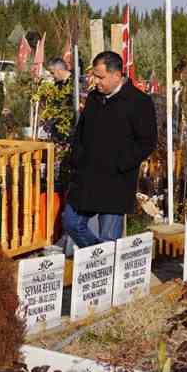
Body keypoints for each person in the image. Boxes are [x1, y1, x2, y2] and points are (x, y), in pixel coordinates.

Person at [61, 51, 156, 246]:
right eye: (94, 75)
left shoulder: (139, 102)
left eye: (100, 77)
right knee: (71, 223)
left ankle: (106, 268)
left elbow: (147, 143)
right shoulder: (94, 98)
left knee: (108, 241)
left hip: (116, 183)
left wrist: (121, 163)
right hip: (87, 179)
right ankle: (98, 260)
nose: (95, 81)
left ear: (116, 75)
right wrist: (77, 158)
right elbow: (81, 132)